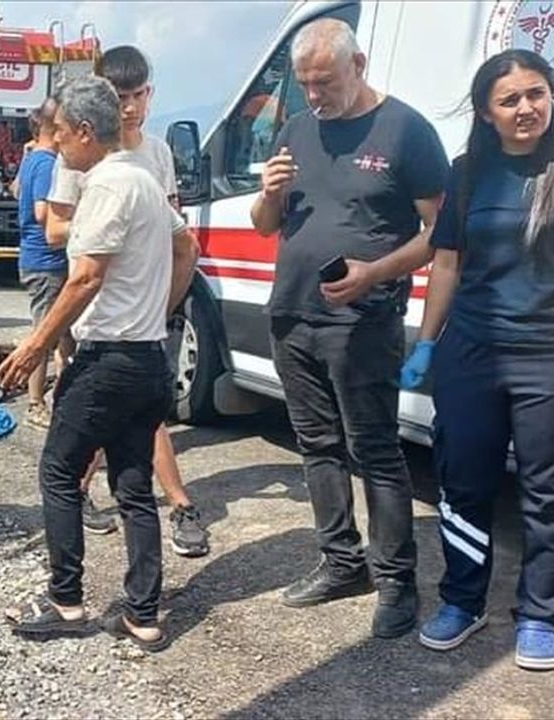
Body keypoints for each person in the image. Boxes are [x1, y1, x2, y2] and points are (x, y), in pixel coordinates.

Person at [249, 18, 448, 638]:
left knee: (376, 451)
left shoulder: (406, 130)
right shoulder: (297, 129)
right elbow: (262, 226)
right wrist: (269, 194)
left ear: (358, 65)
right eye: (305, 83)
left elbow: (441, 235)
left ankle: (396, 582)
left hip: (362, 321)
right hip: (292, 314)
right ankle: (341, 563)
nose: (315, 95)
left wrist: (374, 273)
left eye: (325, 82)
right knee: (317, 448)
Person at [0, 75, 178, 651]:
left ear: (83, 131)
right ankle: (143, 614)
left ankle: (66, 600)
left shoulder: (104, 185)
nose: (54, 147)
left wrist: (35, 347)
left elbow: (86, 276)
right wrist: (159, 308)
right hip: (148, 354)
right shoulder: (146, 181)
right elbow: (188, 248)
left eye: (58, 136)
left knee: (58, 471)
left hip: (107, 359)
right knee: (133, 486)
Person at [401, 49, 554, 670]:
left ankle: (541, 613)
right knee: (464, 481)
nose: (527, 108)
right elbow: (447, 263)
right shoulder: (467, 173)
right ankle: (464, 600)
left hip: (545, 358)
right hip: (470, 354)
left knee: (545, 493)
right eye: (510, 99)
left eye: (537, 93)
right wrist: (426, 345)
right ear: (487, 113)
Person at [46, 45, 207, 555]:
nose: (130, 106)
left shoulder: (157, 153)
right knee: (109, 429)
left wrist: (164, 304)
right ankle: (88, 501)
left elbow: (180, 236)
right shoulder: (77, 155)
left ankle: (176, 507)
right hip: (95, 315)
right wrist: (121, 225)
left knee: (122, 423)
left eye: (138, 95)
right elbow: (56, 231)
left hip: (142, 313)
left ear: (149, 94)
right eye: (120, 97)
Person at [15, 99, 74, 430]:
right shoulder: (47, 162)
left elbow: (14, 191)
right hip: (45, 262)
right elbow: (41, 212)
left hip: (41, 259)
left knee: (63, 335)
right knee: (43, 335)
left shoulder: (31, 159)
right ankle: (35, 404)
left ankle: (60, 397)